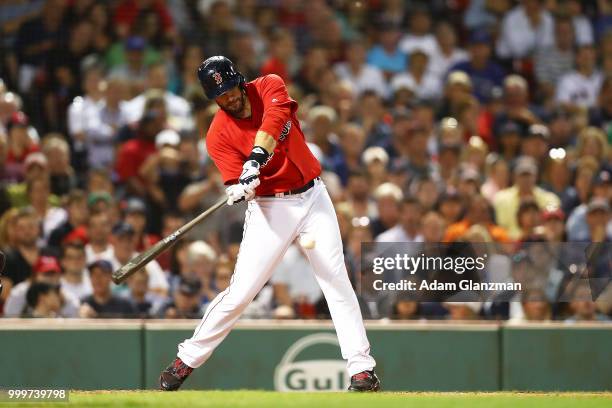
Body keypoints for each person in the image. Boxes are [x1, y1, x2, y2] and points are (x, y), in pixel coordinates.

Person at [159, 56, 379, 392]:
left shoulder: (269, 86)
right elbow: (235, 180)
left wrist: (255, 160)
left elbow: (274, 123)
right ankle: (185, 361)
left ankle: (362, 371)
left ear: (240, 81)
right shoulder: (218, 134)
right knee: (241, 293)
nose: (229, 97)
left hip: (313, 197)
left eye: (231, 89)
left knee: (336, 281)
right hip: (270, 207)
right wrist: (239, 189)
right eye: (220, 95)